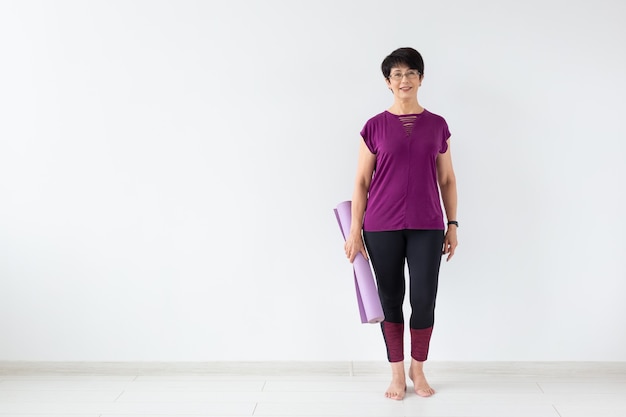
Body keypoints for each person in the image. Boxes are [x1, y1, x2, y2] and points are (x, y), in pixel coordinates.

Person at [344, 47, 458, 400]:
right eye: (397, 74)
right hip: (380, 226)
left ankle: (417, 368)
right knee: (391, 299)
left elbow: (448, 179)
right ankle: (396, 373)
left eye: (411, 73)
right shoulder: (373, 126)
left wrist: (452, 224)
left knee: (424, 300)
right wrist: (354, 231)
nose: (404, 79)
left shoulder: (438, 125)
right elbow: (362, 182)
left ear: (421, 78)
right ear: (387, 82)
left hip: (427, 224)